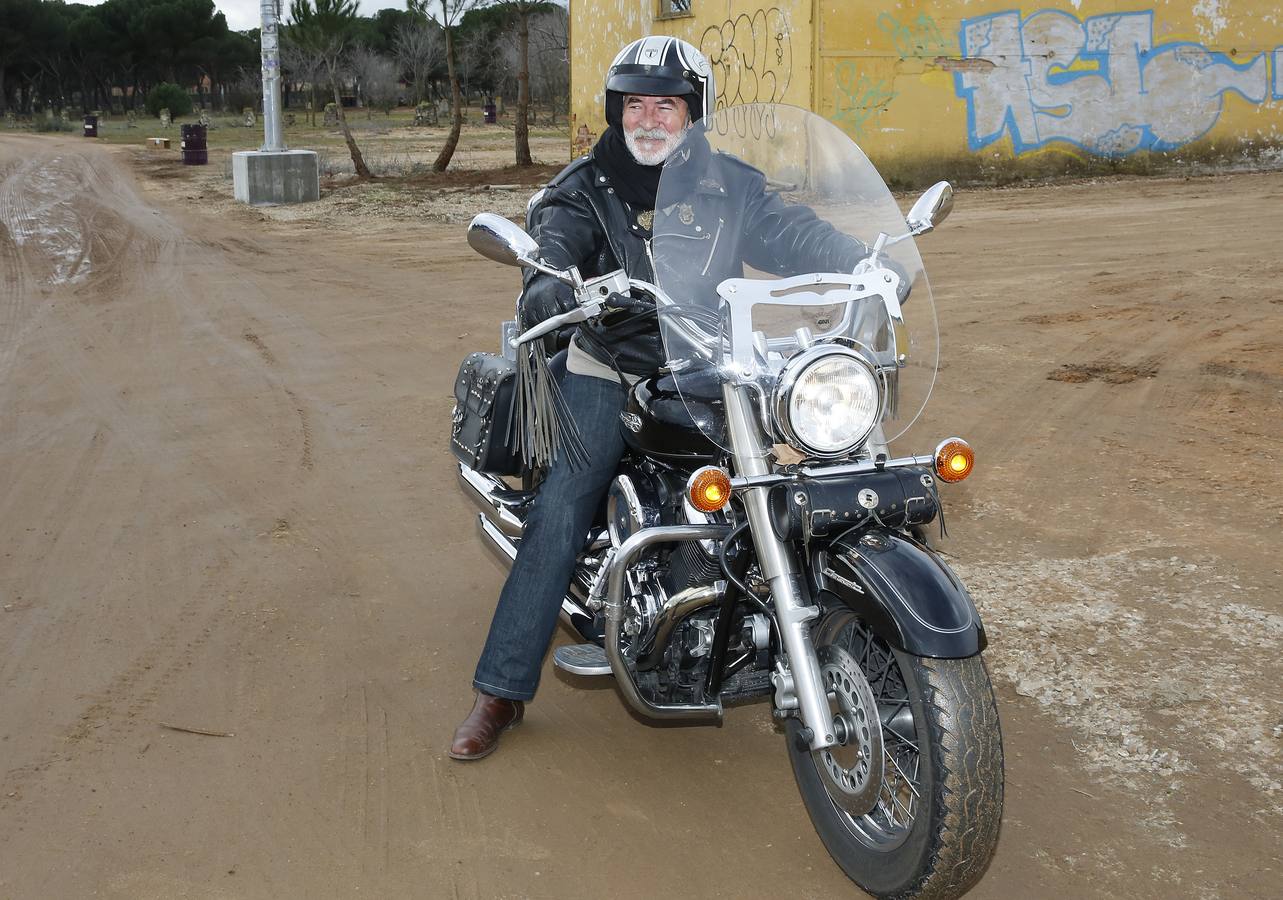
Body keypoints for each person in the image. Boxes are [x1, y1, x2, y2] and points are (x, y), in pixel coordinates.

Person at [449, 37, 876, 760]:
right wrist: (551, 282)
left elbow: (790, 231)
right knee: (562, 504)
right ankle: (499, 690)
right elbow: (555, 243)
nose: (649, 119)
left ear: (691, 113)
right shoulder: (583, 187)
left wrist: (863, 260)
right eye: (635, 105)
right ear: (618, 112)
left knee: (797, 475)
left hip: (710, 364)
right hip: (607, 363)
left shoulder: (729, 182)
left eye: (666, 105)